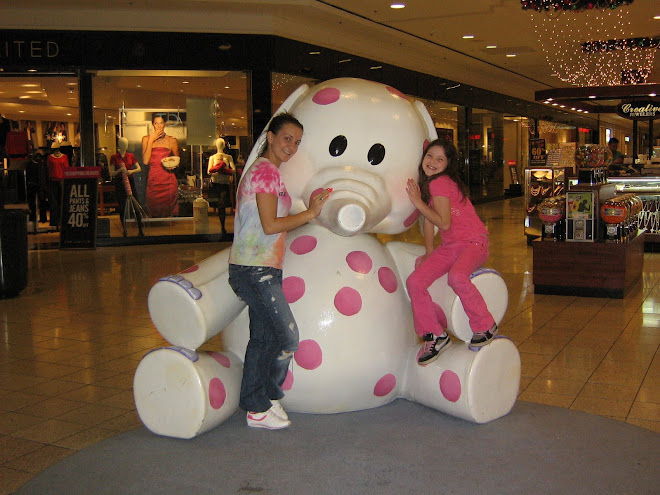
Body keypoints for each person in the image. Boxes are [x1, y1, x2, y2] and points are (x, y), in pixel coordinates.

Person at [227, 113, 332, 430]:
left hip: (261, 267)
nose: (292, 146)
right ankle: (263, 400)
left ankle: (257, 404)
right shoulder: (265, 173)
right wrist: (311, 213)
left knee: (261, 339)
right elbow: (271, 225)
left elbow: (268, 219)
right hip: (254, 269)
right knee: (287, 337)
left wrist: (308, 210)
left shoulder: (267, 173)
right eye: (287, 138)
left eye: (297, 142)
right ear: (270, 137)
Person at [405, 139, 497, 365]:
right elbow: (429, 219)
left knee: (457, 277)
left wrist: (417, 202)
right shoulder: (430, 185)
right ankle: (435, 335)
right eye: (430, 156)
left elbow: (443, 223)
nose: (433, 162)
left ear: (448, 165)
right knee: (415, 282)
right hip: (451, 246)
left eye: (440, 159)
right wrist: (429, 252)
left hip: (474, 243)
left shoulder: (440, 183)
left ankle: (485, 325)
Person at [142, 114, 180, 217]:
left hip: (168, 179)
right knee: (152, 206)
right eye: (156, 123)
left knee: (169, 210)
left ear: (165, 124)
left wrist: (173, 165)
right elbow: (145, 161)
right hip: (154, 178)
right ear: (152, 125)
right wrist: (151, 140)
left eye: (161, 123)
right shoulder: (146, 139)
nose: (159, 126)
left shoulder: (172, 140)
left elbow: (177, 160)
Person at [110, 137, 145, 237]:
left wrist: (131, 171)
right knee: (122, 207)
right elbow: (111, 172)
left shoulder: (131, 156)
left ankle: (140, 229)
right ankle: (125, 230)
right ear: (119, 145)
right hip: (120, 182)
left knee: (136, 205)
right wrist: (120, 171)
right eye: (122, 143)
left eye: (126, 143)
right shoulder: (114, 157)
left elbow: (139, 168)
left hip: (130, 181)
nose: (124, 145)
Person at [207, 137, 235, 235]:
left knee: (222, 205)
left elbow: (234, 169)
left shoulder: (228, 157)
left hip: (224, 183)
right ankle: (221, 226)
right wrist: (218, 168)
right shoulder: (212, 158)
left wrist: (225, 169)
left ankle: (223, 226)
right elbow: (209, 171)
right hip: (215, 183)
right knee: (219, 205)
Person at [46, 143, 70, 228]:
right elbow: (48, 168)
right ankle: (54, 221)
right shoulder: (50, 157)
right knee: (54, 202)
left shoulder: (64, 157)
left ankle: (63, 220)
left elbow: (66, 168)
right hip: (53, 180)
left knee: (62, 200)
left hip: (62, 180)